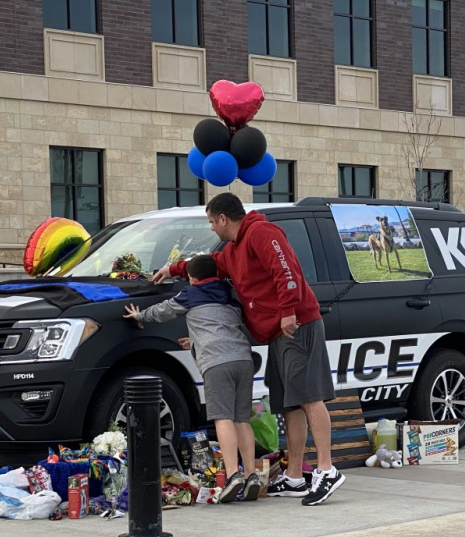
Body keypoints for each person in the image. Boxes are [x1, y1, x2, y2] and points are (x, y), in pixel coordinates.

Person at [152, 192, 345, 506]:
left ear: (224, 218)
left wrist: (288, 311)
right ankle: (295, 477)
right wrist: (172, 269)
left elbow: (286, 270)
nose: (212, 228)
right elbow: (210, 263)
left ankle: (326, 469)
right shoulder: (234, 250)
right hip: (276, 334)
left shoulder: (261, 233)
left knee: (310, 396)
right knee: (290, 403)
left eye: (212, 222)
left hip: (298, 325)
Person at [124, 254, 260, 503]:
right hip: (243, 358)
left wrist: (140, 316)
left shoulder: (191, 293)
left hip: (217, 362)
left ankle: (232, 475)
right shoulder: (230, 293)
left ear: (192, 278)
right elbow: (221, 325)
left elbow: (163, 310)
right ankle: (251, 474)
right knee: (242, 418)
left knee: (223, 417)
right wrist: (196, 341)